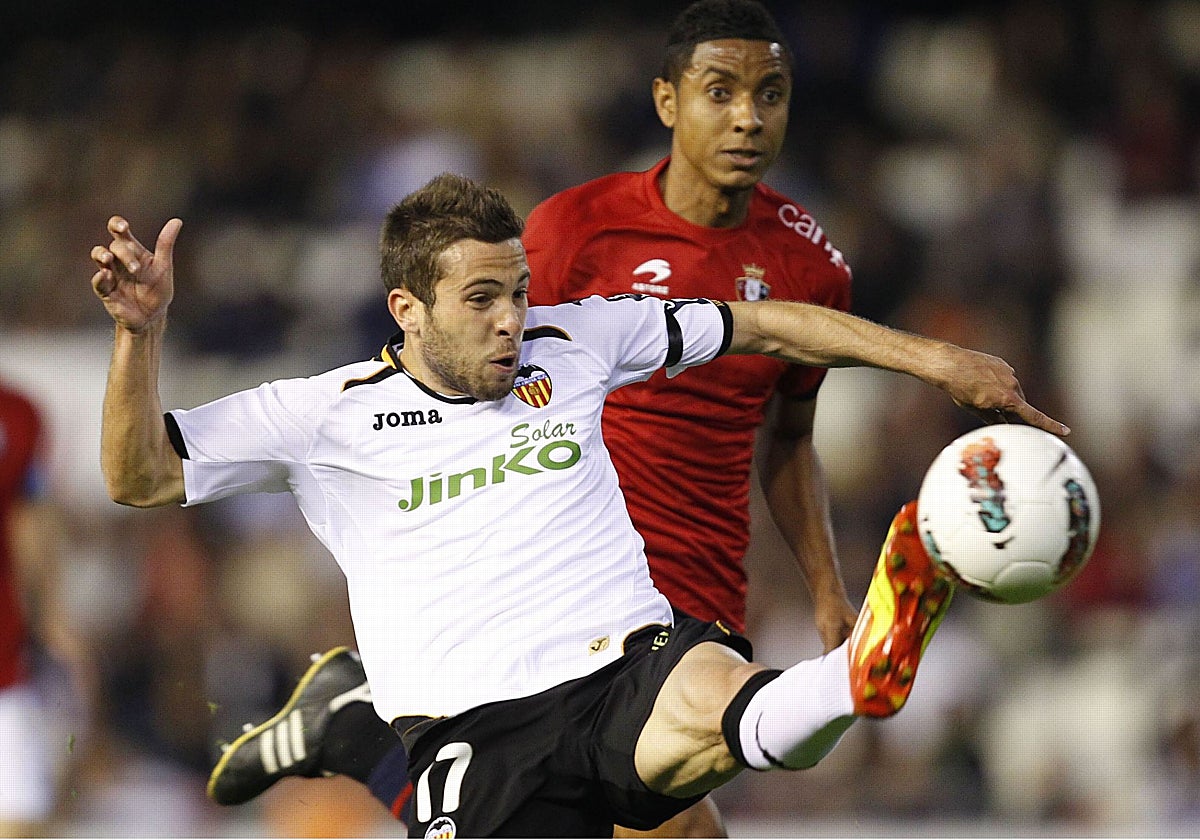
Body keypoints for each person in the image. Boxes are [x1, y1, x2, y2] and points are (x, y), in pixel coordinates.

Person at [91, 172, 1066, 837]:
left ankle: (860, 676)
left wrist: (936, 359)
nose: (514, 317)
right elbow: (139, 478)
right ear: (407, 310)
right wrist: (143, 334)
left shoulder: (582, 336)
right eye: (482, 299)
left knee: (713, 704)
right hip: (475, 729)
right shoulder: (325, 417)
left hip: (623, 669)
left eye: (517, 289)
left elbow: (765, 323)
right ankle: (358, 722)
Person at [209, 2, 863, 835]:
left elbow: (792, 435)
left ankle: (358, 728)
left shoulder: (808, 261)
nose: (747, 116)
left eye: (770, 93)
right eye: (720, 90)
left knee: (669, 825)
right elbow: (466, 379)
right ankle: (366, 730)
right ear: (669, 102)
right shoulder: (575, 228)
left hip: (699, 574)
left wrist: (824, 586)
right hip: (583, 586)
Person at [0, 382, 65, 837]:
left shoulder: (18, 413)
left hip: (5, 661)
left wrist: (49, 615)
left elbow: (30, 518)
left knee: (21, 821)